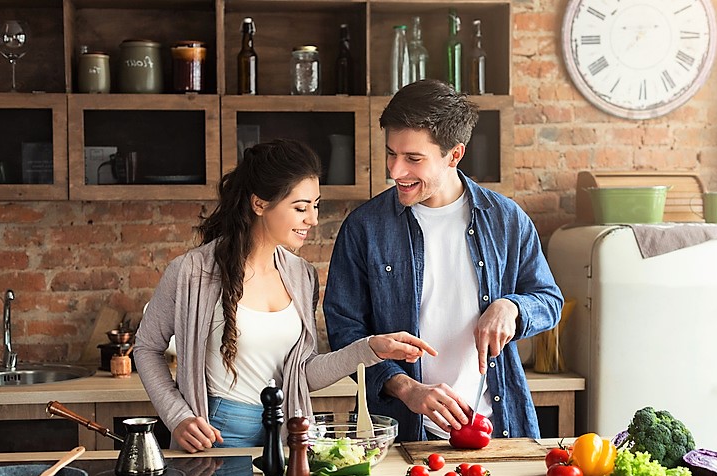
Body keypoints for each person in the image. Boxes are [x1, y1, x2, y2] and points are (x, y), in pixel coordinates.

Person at [134, 139, 436, 453]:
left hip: (286, 435)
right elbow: (146, 348)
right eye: (300, 207)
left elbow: (302, 374)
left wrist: (370, 348)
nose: (313, 219)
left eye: (315, 205)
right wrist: (177, 416)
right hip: (217, 436)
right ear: (260, 204)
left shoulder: (302, 276)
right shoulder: (191, 272)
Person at [323, 80, 563, 443]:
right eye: (391, 154)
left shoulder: (507, 221)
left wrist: (511, 307)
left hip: (496, 429)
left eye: (413, 159)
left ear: (454, 154)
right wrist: (406, 388)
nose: (395, 171)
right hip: (400, 435)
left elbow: (549, 300)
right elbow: (345, 331)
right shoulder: (364, 228)